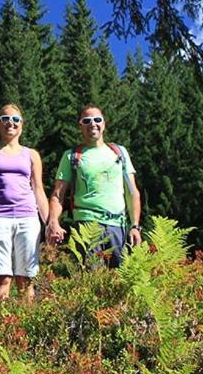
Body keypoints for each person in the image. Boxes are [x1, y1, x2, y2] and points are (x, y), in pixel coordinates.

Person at [46, 105, 142, 268]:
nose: (93, 124)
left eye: (97, 120)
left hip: (118, 226)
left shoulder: (120, 153)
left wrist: (134, 226)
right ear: (80, 126)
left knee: (121, 283)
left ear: (104, 124)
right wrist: (54, 221)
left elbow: (132, 192)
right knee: (90, 282)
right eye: (87, 120)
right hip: (86, 225)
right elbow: (57, 195)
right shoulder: (71, 156)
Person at [0, 104, 48, 301]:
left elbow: (39, 189)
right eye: (5, 119)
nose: (10, 124)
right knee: (2, 279)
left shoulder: (31, 155)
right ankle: (1, 329)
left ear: (22, 124)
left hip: (28, 218)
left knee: (26, 279)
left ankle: (28, 328)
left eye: (15, 120)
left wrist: (49, 223)